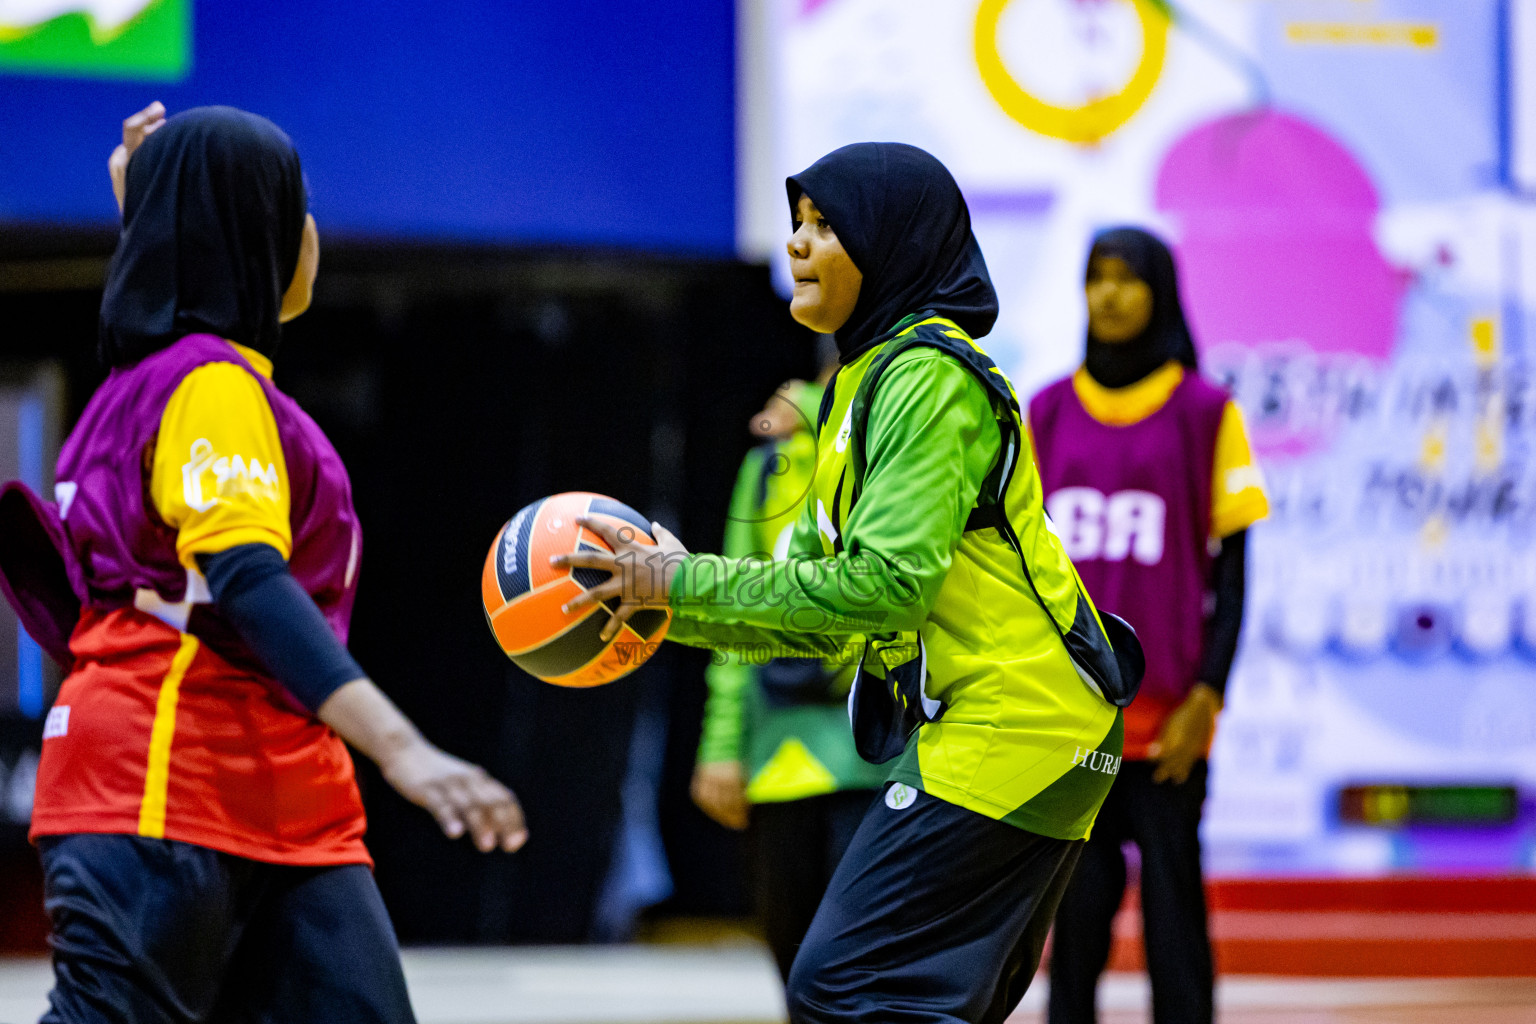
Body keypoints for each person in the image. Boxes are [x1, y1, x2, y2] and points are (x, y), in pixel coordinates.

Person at [554, 142, 1142, 1023]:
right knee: (919, 1001)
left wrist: (681, 582)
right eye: (796, 222)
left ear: (894, 243)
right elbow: (826, 620)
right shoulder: (861, 388)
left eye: (827, 225)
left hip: (1018, 721)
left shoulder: (926, 376)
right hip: (1033, 726)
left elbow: (884, 590)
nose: (797, 243)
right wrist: (658, 606)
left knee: (840, 984)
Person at [0, 103, 527, 1024]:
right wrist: (406, 752)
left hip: (287, 794)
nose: (314, 230)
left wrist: (152, 207)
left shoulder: (170, 377)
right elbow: (246, 580)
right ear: (259, 234)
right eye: (300, 204)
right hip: (163, 779)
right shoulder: (208, 387)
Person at [1030, 227, 1269, 1024]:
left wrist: (1209, 695)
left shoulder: (1206, 410)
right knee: (1075, 923)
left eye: (1128, 278)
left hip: (1169, 725)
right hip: (1071, 722)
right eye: (1096, 276)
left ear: (1159, 291)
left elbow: (1234, 571)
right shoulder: (1047, 411)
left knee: (1175, 919)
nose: (1110, 293)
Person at [689, 373, 885, 981]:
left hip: (881, 756)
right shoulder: (770, 465)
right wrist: (722, 749)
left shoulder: (895, 452)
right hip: (780, 760)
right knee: (799, 978)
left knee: (869, 974)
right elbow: (732, 612)